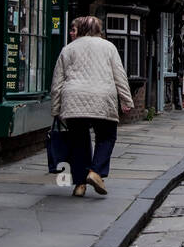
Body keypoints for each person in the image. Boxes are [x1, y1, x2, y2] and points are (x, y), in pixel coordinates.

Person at [50, 15, 134, 198]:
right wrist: (127, 100)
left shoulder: (68, 49)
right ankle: (95, 172)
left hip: (73, 98)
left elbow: (57, 83)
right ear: (98, 30)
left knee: (79, 141)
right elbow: (120, 75)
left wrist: (56, 109)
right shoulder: (108, 47)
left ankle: (80, 185)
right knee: (107, 136)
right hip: (103, 98)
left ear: (79, 29)